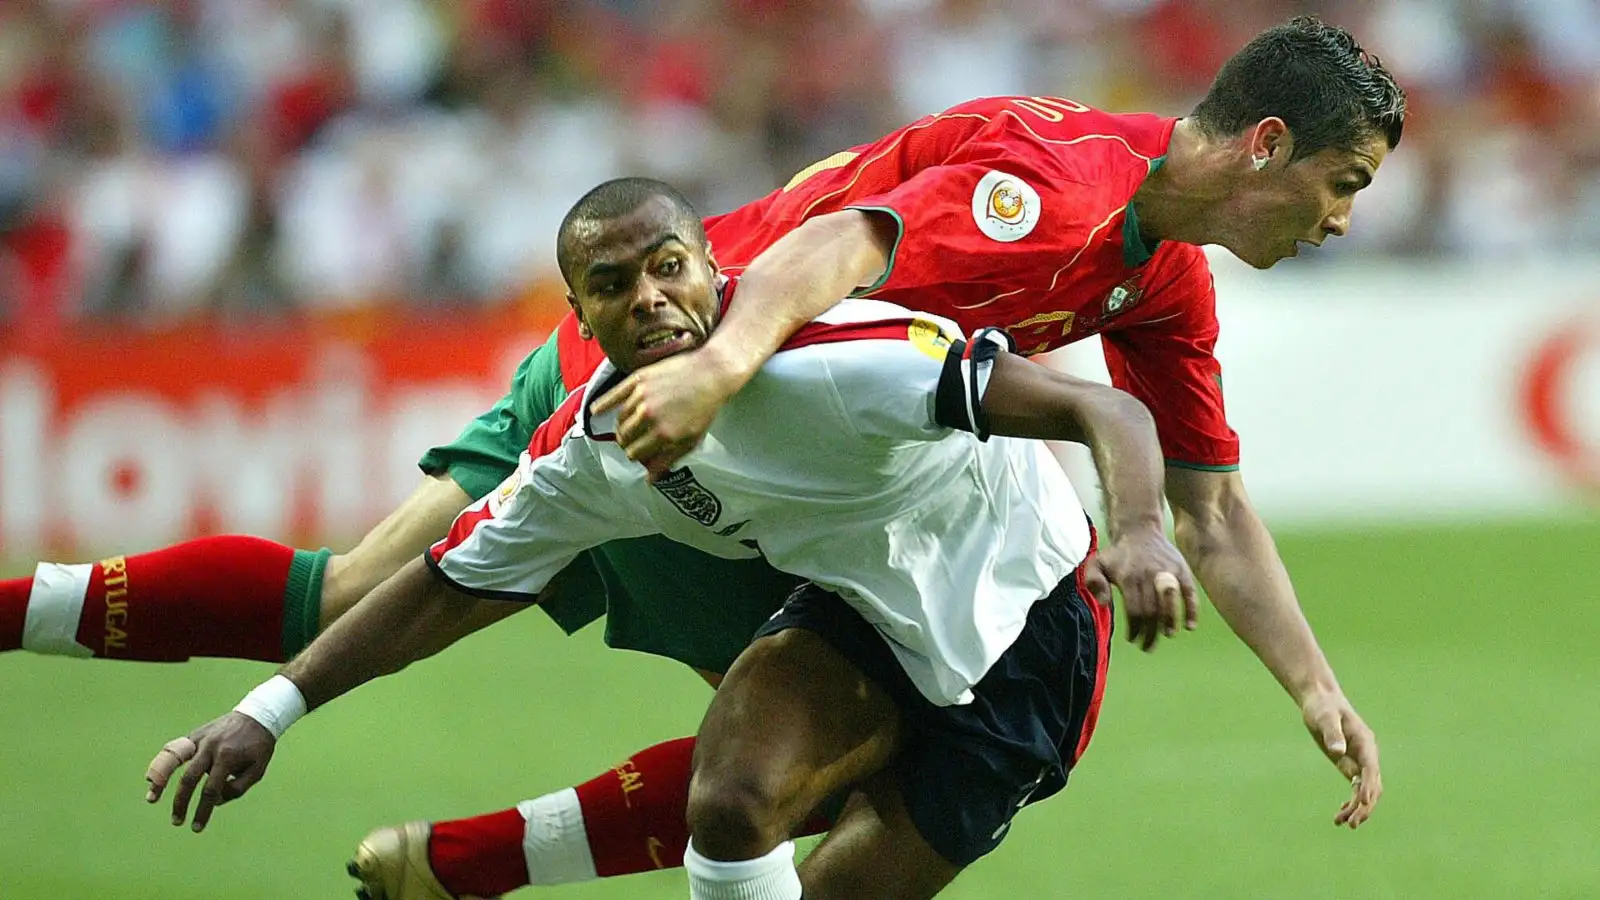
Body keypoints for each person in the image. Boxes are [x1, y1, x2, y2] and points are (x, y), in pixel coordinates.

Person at [32, 13, 1391, 889]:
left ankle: (462, 865)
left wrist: (1314, 688)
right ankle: (471, 864)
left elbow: (1206, 503)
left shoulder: (1160, 278)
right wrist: (712, 368)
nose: (1342, 219)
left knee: (783, 779)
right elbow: (837, 252)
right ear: (1270, 143)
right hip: (663, 374)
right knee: (784, 770)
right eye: (1344, 183)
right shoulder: (1058, 190)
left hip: (754, 419)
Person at [147, 176, 1197, 900]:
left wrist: (1141, 532)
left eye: (668, 267)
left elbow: (1111, 413)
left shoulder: (836, 359)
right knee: (733, 802)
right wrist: (265, 714)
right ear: (578, 314)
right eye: (613, 285)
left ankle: (465, 864)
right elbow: (443, 586)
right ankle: (460, 866)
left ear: (709, 267)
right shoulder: (596, 446)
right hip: (860, 617)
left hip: (1030, 625)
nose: (648, 297)